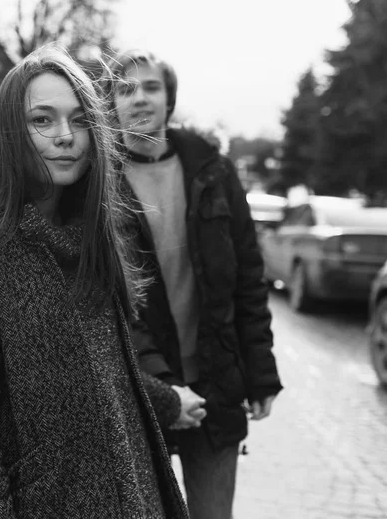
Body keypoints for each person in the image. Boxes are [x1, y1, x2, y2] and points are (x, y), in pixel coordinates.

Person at [0, 45, 189, 519]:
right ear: (11, 132)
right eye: (43, 120)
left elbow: (103, 379)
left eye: (80, 121)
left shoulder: (87, 233)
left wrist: (168, 400)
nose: (65, 137)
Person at [107, 48, 284, 519]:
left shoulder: (213, 171)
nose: (139, 98)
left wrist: (261, 374)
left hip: (216, 387)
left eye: (150, 86)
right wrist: (163, 388)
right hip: (140, 393)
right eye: (126, 88)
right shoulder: (97, 183)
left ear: (169, 99)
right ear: (111, 103)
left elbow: (248, 278)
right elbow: (108, 303)